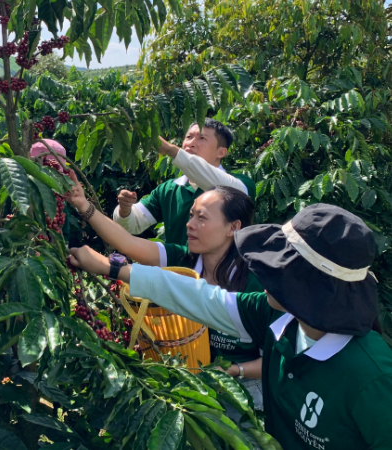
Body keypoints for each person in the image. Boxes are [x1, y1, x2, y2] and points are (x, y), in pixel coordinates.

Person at [68, 202, 392, 449]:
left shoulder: (372, 377)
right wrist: (112, 269)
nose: (265, 272)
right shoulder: (278, 318)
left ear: (311, 287)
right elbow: (201, 298)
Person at [66, 172, 264, 406]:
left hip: (242, 390)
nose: (190, 224)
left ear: (234, 227)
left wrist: (236, 370)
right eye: (191, 215)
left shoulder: (256, 282)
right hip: (188, 385)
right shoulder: (183, 260)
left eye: (202, 218)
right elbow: (127, 242)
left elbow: (280, 356)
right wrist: (83, 205)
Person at [114, 120, 256, 245]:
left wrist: (170, 150)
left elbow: (231, 191)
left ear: (221, 152)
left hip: (224, 268)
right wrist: (125, 210)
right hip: (177, 267)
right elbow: (133, 224)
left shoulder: (242, 183)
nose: (191, 143)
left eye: (202, 138)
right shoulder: (168, 189)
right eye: (188, 137)